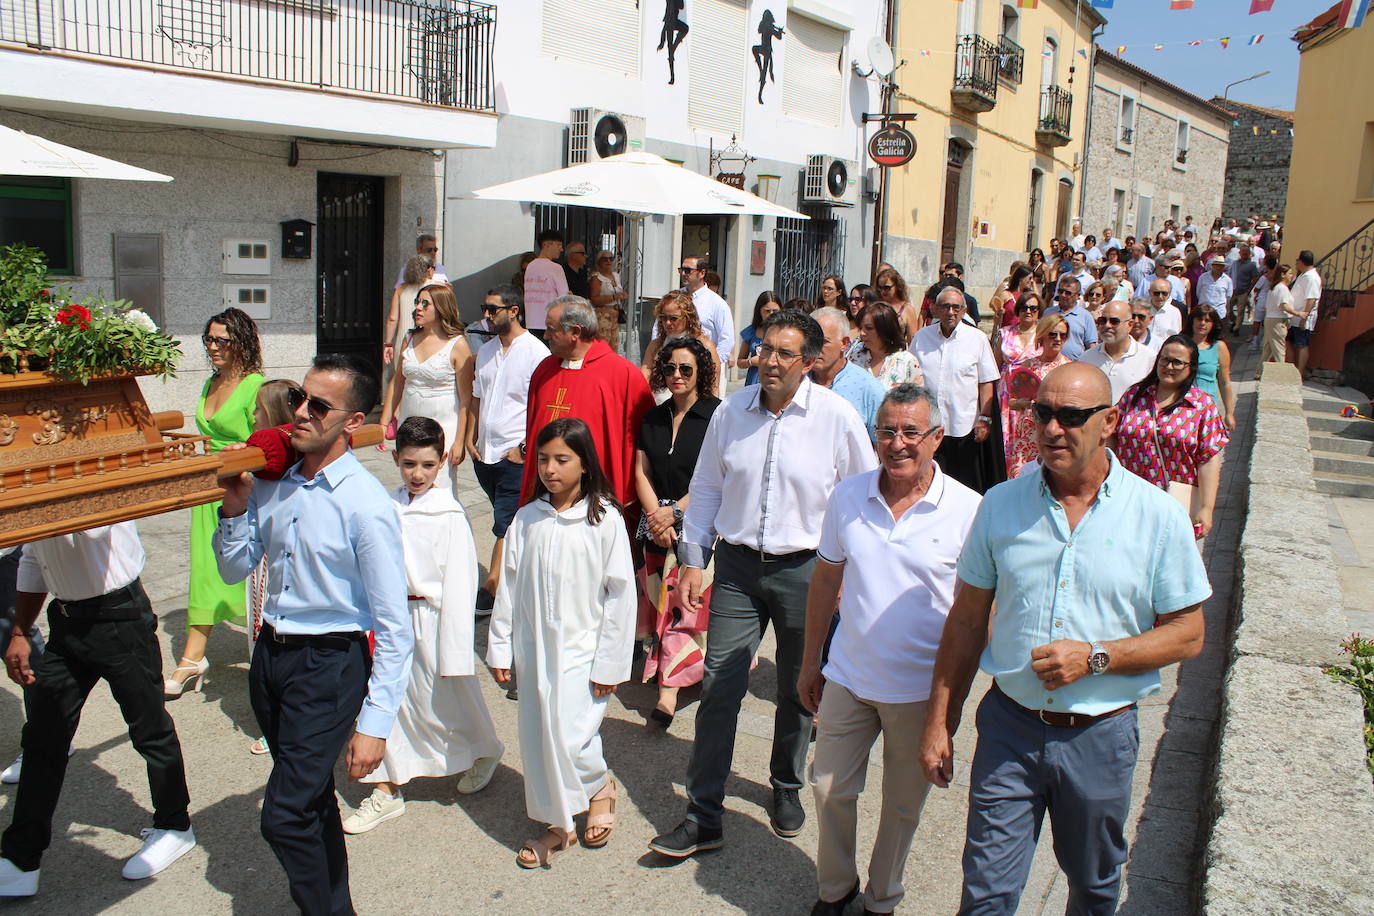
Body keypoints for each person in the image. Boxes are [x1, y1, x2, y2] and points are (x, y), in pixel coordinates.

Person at [918, 361, 1211, 915]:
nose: (1052, 429)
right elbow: (966, 621)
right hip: (1010, 728)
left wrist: (1097, 657)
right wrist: (939, 719)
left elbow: (1188, 634)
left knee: (1094, 886)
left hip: (1100, 737)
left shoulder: (1157, 516)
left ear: (1110, 421)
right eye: (1042, 414)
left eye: (1072, 416)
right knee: (986, 892)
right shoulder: (1000, 505)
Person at [648, 310, 876, 858]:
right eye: (766, 349)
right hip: (738, 569)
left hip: (807, 572)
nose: (769, 361)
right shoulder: (731, 412)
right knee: (720, 687)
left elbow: (861, 500)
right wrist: (694, 559)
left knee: (799, 688)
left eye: (784, 353)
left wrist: (851, 577)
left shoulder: (837, 418)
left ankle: (786, 786)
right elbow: (705, 489)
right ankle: (704, 813)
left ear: (811, 361)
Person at [215, 354, 413, 915]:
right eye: (301, 398)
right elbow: (235, 569)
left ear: (351, 422)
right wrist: (233, 510)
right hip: (271, 660)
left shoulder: (366, 506)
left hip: (329, 665)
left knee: (283, 816)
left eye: (319, 406)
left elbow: (395, 628)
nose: (300, 412)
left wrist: (375, 726)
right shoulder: (272, 485)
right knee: (311, 804)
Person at [799, 384, 982, 916]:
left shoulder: (969, 510)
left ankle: (882, 899)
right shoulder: (849, 496)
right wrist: (813, 662)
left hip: (920, 693)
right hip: (849, 678)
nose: (897, 443)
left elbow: (976, 618)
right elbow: (825, 581)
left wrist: (949, 711)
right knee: (829, 788)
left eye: (910, 432)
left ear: (937, 438)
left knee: (902, 808)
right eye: (886, 431)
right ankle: (835, 891)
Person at [0, 523, 194, 896]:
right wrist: (20, 631)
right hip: (66, 622)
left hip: (120, 617)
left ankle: (175, 826)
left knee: (149, 729)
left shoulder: (87, 473)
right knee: (42, 740)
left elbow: (90, 530)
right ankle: (20, 857)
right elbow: (32, 560)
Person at [488, 418, 636, 868]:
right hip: (535, 650)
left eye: (562, 459)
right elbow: (509, 586)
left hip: (582, 648)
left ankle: (598, 788)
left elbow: (620, 593)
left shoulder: (604, 519)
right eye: (544, 459)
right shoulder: (528, 518)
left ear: (585, 465)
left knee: (573, 734)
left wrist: (610, 662)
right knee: (539, 734)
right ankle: (557, 824)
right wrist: (500, 647)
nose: (550, 469)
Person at [343, 418, 504, 834]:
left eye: (428, 466)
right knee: (388, 700)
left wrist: (454, 646)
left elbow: (461, 581)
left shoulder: (448, 514)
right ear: (396, 459)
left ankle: (484, 749)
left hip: (432, 619)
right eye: (409, 464)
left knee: (448, 696)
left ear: (442, 463)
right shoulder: (387, 505)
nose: (418, 474)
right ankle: (385, 788)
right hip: (390, 617)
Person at [169, 308, 266, 698]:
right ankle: (193, 658)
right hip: (207, 485)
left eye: (220, 340)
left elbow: (266, 441)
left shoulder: (256, 385)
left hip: (242, 486)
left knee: (250, 575)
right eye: (208, 339)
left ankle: (264, 654)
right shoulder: (210, 382)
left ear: (241, 342)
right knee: (205, 570)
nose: (212, 347)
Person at [634, 337, 722, 727]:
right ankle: (682, 671)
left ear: (701, 371)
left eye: (686, 368)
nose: (677, 375)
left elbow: (715, 479)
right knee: (659, 603)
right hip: (655, 524)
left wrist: (673, 513)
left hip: (700, 522)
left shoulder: (718, 416)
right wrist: (656, 515)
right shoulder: (654, 416)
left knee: (681, 607)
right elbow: (641, 471)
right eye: (670, 368)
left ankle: (667, 692)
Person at [520, 296, 656, 512]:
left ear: (575, 332)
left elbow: (645, 442)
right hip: (546, 490)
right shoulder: (544, 370)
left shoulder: (622, 374)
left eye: (551, 329)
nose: (545, 336)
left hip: (596, 497)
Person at [467, 284, 550, 610]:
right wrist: (469, 437)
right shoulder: (486, 351)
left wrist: (525, 449)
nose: (486, 315)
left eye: (493, 309)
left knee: (504, 523)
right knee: (512, 523)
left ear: (514, 311)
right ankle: (525, 576)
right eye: (485, 308)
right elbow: (476, 397)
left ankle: (492, 588)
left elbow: (543, 407)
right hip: (484, 455)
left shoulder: (536, 353)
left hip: (514, 456)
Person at [1113, 337, 1230, 539]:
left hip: (1173, 503)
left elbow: (1209, 460)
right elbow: (1111, 438)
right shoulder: (1134, 396)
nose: (1169, 366)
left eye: (1178, 362)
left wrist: (1206, 507)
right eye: (1164, 360)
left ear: (1191, 367)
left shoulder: (1202, 406)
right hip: (1128, 499)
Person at [379, 284, 473, 494]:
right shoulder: (409, 338)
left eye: (425, 304)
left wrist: (460, 441)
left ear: (441, 308)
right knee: (412, 479)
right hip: (410, 421)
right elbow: (397, 381)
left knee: (441, 486)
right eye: (417, 303)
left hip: (444, 425)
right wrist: (384, 422)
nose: (418, 309)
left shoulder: (457, 344)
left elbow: (466, 399)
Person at [911, 288, 1004, 493]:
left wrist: (985, 418)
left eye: (956, 307)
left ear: (964, 311)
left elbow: (986, 381)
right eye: (945, 306)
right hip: (929, 426)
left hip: (964, 427)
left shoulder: (977, 339)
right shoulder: (921, 338)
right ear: (934, 309)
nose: (950, 312)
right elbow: (911, 375)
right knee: (930, 484)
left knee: (963, 487)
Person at [1003, 313, 1071, 478]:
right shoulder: (1028, 365)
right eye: (1053, 334)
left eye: (1063, 335)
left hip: (1051, 434)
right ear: (1043, 335)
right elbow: (1011, 402)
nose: (1058, 338)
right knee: (1020, 484)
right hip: (1026, 435)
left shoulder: (1068, 368)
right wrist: (1023, 403)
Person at [811, 307, 886, 442]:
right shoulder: (796, 381)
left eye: (823, 341)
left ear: (844, 344)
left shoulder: (869, 388)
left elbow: (883, 444)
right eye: (810, 341)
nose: (814, 348)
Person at [643, 292, 722, 395]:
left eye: (673, 318)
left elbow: (713, 385)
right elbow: (644, 377)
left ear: (688, 317)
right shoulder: (655, 345)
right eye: (663, 317)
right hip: (661, 406)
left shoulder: (704, 345)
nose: (667, 323)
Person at [1079, 299, 1156, 404]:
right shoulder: (1086, 359)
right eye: (1103, 320)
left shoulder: (1150, 359)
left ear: (1130, 325)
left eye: (1114, 321)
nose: (1107, 325)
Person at [993, 291, 1043, 452]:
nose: (1028, 311)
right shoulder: (1006, 332)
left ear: (1039, 311)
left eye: (1033, 308)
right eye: (1024, 307)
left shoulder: (1043, 335)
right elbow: (995, 363)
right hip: (1006, 390)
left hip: (1031, 390)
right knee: (1003, 436)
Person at [667, 257, 736, 369]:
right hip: (675, 366)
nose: (683, 273)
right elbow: (659, 328)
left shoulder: (717, 303)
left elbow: (726, 339)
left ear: (702, 273)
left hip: (706, 367)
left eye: (688, 270)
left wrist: (712, 365)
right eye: (681, 270)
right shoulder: (674, 298)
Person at [1188, 305, 1237, 431]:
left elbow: (1224, 382)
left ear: (1213, 324)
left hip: (1207, 407)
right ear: (1192, 320)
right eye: (1199, 319)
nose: (1202, 323)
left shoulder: (1219, 347)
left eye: (1207, 320)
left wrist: (1229, 413)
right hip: (1184, 405)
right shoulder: (1182, 344)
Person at [853, 302, 923, 389]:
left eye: (869, 328)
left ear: (886, 329)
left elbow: (917, 398)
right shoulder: (856, 354)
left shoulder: (907, 361)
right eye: (860, 328)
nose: (862, 333)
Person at [383, 255, 434, 374]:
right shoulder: (438, 287)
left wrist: (388, 343)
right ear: (429, 269)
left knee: (401, 379)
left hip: (403, 341)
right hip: (429, 338)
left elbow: (392, 318)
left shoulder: (401, 289)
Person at [523, 229, 570, 338]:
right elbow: (564, 297)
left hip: (531, 322)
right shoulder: (556, 268)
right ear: (547, 245)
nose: (561, 249)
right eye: (558, 245)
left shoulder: (530, 266)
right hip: (551, 323)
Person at [1043, 276, 1097, 361]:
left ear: (1078, 296)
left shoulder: (1086, 316)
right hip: (1049, 364)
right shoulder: (1048, 313)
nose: (1063, 295)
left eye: (1068, 293)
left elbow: (1091, 346)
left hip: (1075, 366)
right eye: (1060, 291)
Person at [1288, 250, 1322, 379]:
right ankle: (1292, 369)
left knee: (1302, 345)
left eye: (1297, 260)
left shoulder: (1312, 278)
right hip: (1295, 317)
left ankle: (1299, 373)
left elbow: (1311, 299)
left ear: (1301, 261)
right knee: (1289, 342)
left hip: (1302, 317)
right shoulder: (1304, 275)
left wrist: (1304, 317)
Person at [737, 291, 783, 386]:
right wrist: (751, 362)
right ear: (759, 311)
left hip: (776, 380)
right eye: (767, 311)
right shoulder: (751, 332)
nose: (771, 314)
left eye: (775, 311)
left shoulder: (786, 332)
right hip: (754, 381)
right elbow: (740, 362)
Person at [588, 250, 628, 352]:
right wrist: (614, 297)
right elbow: (594, 299)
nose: (608, 261)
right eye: (605, 259)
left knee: (614, 346)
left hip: (615, 315)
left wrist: (622, 296)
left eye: (611, 258)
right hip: (602, 316)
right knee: (602, 345)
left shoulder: (616, 275)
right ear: (599, 261)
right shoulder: (597, 278)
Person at [1261, 262, 1295, 374]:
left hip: (1271, 319)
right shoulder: (1282, 288)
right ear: (1283, 275)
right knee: (1279, 349)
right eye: (1290, 273)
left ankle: (1259, 372)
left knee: (1268, 349)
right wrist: (1298, 313)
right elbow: (1283, 305)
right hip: (1277, 321)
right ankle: (1281, 374)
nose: (1292, 276)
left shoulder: (1275, 287)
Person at [875, 267, 919, 343]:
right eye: (880, 287)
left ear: (897, 286)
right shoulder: (875, 306)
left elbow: (912, 340)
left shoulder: (907, 309)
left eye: (887, 288)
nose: (882, 291)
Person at [1226, 243, 1261, 336]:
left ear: (1249, 253)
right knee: (1228, 309)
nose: (1244, 253)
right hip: (1233, 290)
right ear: (1240, 253)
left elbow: (1256, 277)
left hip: (1243, 291)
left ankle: (1236, 328)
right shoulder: (1235, 263)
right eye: (1243, 252)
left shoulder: (1251, 265)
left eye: (1246, 252)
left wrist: (1249, 289)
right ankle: (1234, 321)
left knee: (1240, 311)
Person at [1195, 256, 1232, 322]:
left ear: (1223, 267)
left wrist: (1227, 312)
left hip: (1219, 312)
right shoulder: (1203, 277)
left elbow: (1228, 298)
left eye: (1221, 266)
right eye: (1216, 265)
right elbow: (1198, 293)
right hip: (1204, 310)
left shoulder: (1227, 280)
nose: (1218, 267)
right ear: (1212, 265)